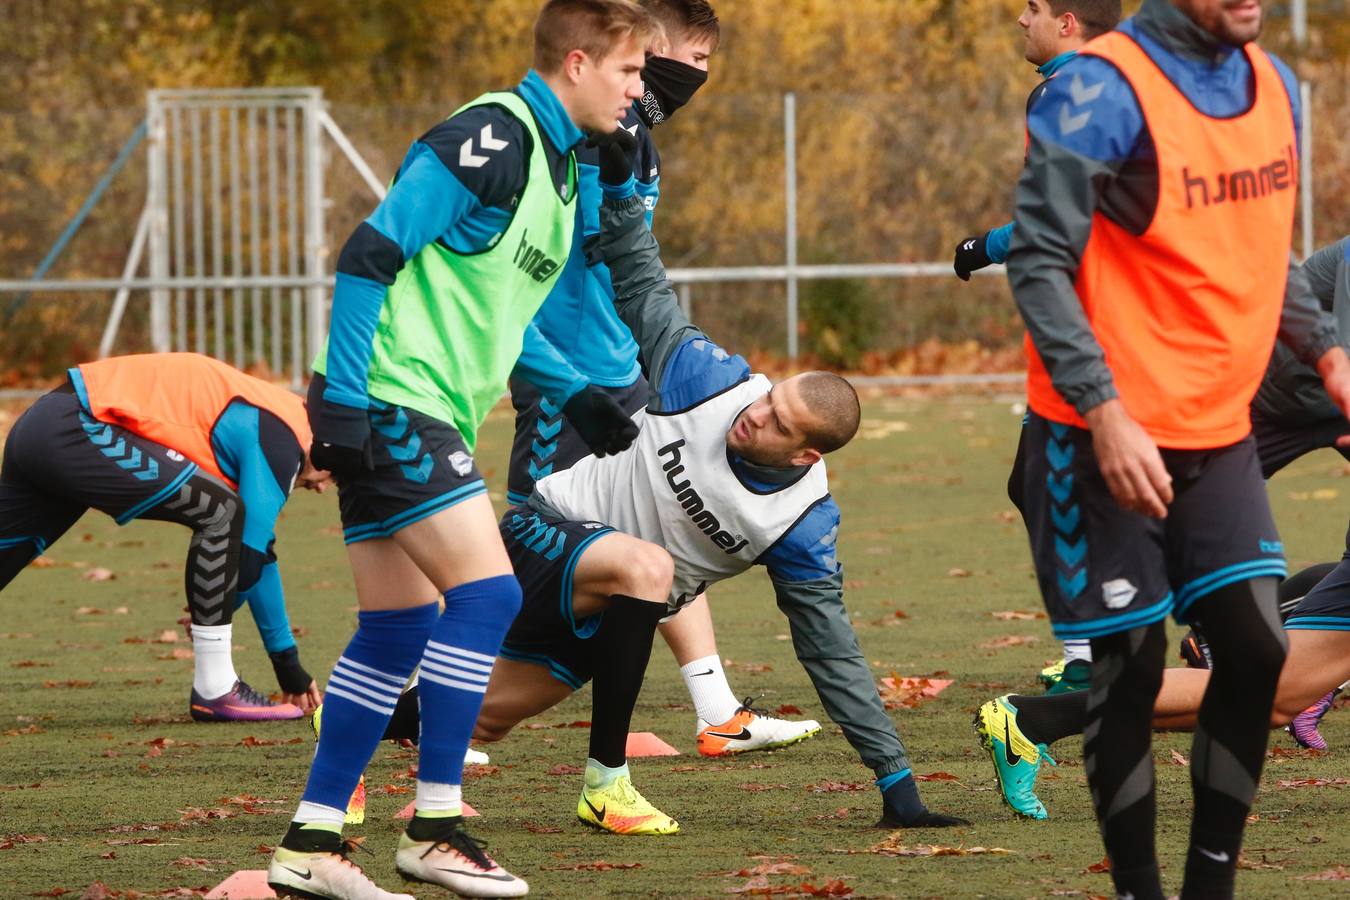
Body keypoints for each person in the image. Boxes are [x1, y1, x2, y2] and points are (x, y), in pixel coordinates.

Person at [391, 133, 971, 838]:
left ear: (806, 458)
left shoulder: (801, 526)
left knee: (480, 715)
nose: (754, 416)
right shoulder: (708, 379)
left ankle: (361, 710)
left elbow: (830, 648)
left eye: (777, 423)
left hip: (614, 602)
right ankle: (607, 784)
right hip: (547, 528)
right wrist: (618, 178)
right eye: (767, 399)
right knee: (651, 566)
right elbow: (641, 279)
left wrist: (896, 782)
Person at [266, 3, 659, 898]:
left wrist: (580, 397)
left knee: (398, 628)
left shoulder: (559, 171)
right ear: (576, 61)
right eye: (631, 73)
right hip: (395, 399)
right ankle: (436, 827)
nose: (641, 93)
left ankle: (310, 844)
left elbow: (499, 317)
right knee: (486, 595)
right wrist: (345, 410)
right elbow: (370, 253)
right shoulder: (491, 136)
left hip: (417, 404)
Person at [995, 1, 1350, 897]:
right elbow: (1038, 259)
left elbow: (1265, 255)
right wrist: (1104, 409)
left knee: (1259, 652)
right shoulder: (1097, 89)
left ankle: (1210, 884)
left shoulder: (1274, 85)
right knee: (1133, 665)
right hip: (1097, 434)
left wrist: (1330, 353)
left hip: (1216, 429)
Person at [504, 0, 821, 754]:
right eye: (691, 61)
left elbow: (629, 259)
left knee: (658, 536)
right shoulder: (584, 138)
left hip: (623, 369)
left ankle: (715, 711)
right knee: (524, 545)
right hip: (567, 375)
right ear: (647, 52)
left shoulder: (638, 143)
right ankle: (438, 705)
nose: (692, 79)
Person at [0, 352, 328, 721]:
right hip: (76, 426)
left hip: (44, 423)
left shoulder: (280, 415)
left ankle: (218, 685)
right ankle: (216, 689)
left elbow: (258, 554)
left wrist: (289, 666)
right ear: (327, 439)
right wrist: (212, 610)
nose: (324, 487)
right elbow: (247, 559)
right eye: (336, 474)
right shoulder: (286, 440)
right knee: (221, 510)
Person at [954, 0, 1123, 696]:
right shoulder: (1111, 85)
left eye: (1033, 9)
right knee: (1042, 483)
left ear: (1069, 20)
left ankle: (1093, 654)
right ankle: (1102, 644)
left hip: (1093, 327)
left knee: (1061, 484)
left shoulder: (1070, 92)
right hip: (1093, 321)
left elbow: (1059, 215)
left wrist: (986, 247)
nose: (1021, 21)